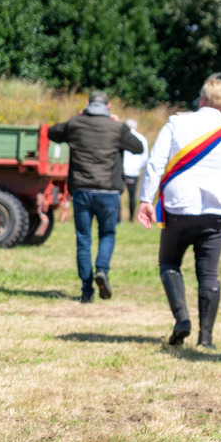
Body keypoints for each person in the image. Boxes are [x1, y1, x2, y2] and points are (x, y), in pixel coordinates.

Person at [136, 73, 221, 349]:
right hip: (217, 211)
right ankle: (206, 338)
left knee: (169, 263)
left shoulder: (176, 123)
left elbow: (155, 163)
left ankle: (182, 320)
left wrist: (146, 198)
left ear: (202, 98)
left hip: (178, 207)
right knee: (208, 274)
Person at [48, 91, 145, 303]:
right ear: (109, 107)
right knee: (107, 235)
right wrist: (123, 127)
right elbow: (138, 148)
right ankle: (102, 270)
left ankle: (86, 290)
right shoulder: (117, 128)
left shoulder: (75, 123)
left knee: (83, 239)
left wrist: (77, 117)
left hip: (82, 190)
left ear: (87, 104)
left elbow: (52, 133)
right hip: (109, 192)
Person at [120, 119, 150, 224]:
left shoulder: (121, 137)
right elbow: (144, 158)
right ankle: (131, 219)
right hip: (134, 172)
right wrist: (138, 168)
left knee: (118, 195)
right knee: (132, 196)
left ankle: (119, 219)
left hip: (122, 170)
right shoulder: (141, 138)